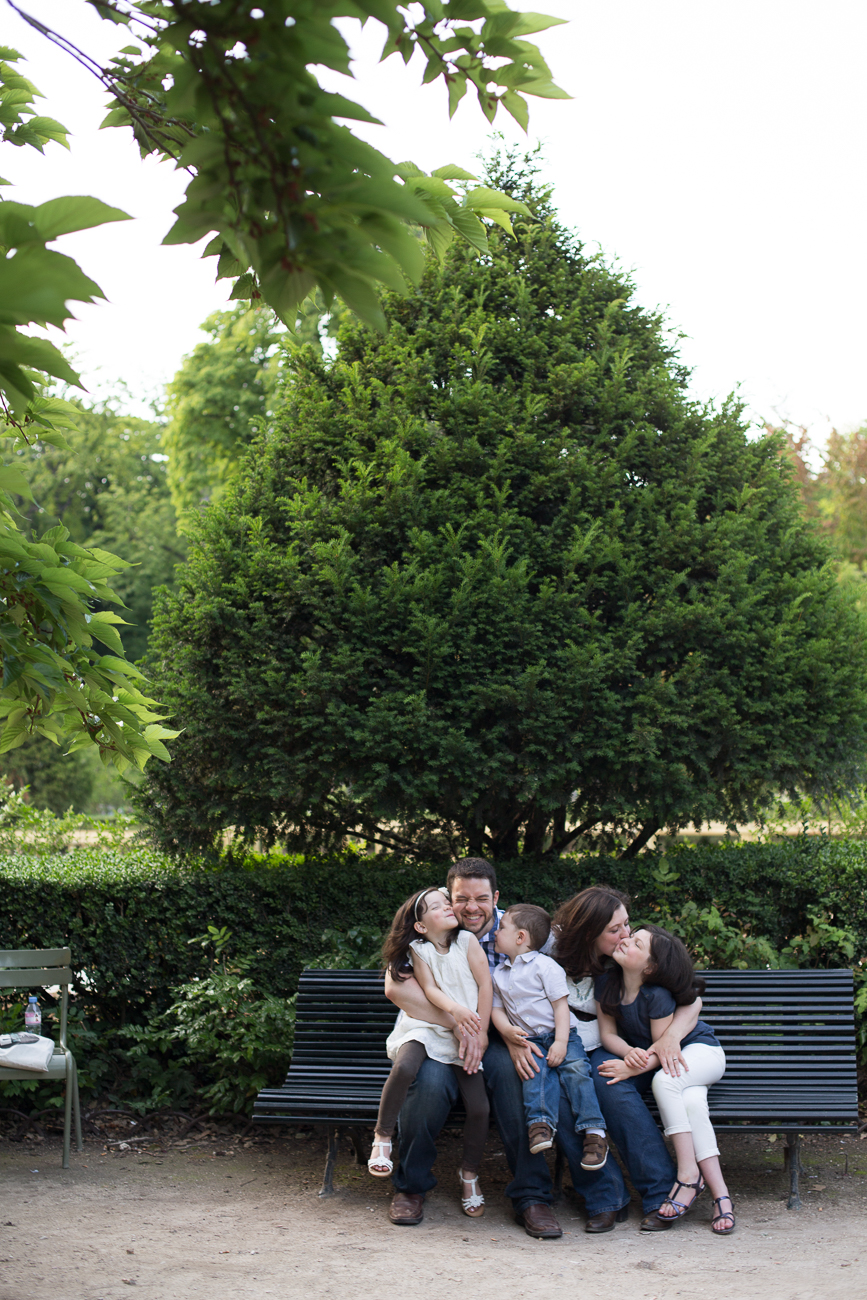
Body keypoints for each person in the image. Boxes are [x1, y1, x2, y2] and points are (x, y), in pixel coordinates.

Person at [386, 859, 637, 1237]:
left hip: (508, 1038)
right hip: (441, 1035)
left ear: (495, 897)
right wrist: (461, 1026)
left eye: (481, 898)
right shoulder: (432, 930)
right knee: (430, 1087)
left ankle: (532, 1197)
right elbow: (396, 987)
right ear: (447, 896)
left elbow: (574, 957)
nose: (472, 907)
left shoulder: (519, 929)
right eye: (461, 899)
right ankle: (410, 1186)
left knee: (519, 1076)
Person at [550, 887, 704, 1225]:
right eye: (614, 929)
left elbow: (690, 998)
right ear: (589, 933)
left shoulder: (629, 958)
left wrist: (670, 1038)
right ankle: (605, 1196)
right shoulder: (551, 953)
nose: (626, 935)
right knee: (558, 1092)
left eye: (627, 925)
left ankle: (660, 1189)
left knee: (609, 1082)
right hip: (563, 1045)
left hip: (622, 1048)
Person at [595, 925, 734, 1234]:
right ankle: (721, 1197)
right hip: (678, 1064)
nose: (625, 940)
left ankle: (687, 1176)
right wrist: (629, 1052)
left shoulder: (655, 995)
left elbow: (664, 1049)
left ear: (651, 966)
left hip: (699, 1053)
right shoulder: (608, 984)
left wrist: (633, 1068)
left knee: (664, 1083)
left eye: (636, 943)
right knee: (693, 1107)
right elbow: (608, 1034)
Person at [369, 886, 492, 1218]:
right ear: (420, 925)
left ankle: (469, 1173)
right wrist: (455, 1015)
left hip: (466, 1034)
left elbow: (485, 984)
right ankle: (384, 1139)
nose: (451, 907)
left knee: (480, 1107)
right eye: (441, 905)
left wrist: (478, 1033)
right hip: (427, 1027)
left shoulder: (468, 940)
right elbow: (419, 989)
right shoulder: (417, 950)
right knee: (411, 1070)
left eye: (445, 903)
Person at [491, 903, 608, 1169]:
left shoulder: (546, 967)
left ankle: (595, 1132)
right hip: (529, 1041)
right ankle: (541, 1126)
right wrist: (506, 1030)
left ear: (521, 937)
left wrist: (562, 1042)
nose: (496, 933)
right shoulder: (499, 974)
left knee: (577, 1073)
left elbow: (561, 1007)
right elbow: (496, 1009)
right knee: (535, 1077)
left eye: (501, 928)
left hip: (561, 1034)